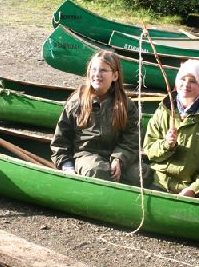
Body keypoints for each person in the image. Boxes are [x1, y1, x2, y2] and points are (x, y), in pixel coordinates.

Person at [51, 50, 147, 184]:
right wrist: (67, 166)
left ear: (115, 76)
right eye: (94, 69)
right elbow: (60, 141)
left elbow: (132, 139)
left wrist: (118, 159)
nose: (97, 74)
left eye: (103, 70)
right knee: (98, 171)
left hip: (116, 156)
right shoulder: (77, 102)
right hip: (85, 155)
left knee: (142, 174)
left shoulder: (126, 105)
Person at [143, 59, 199, 197]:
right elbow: (150, 150)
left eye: (193, 81)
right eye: (183, 79)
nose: (186, 84)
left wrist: (195, 189)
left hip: (193, 189)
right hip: (160, 183)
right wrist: (166, 145)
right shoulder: (163, 111)